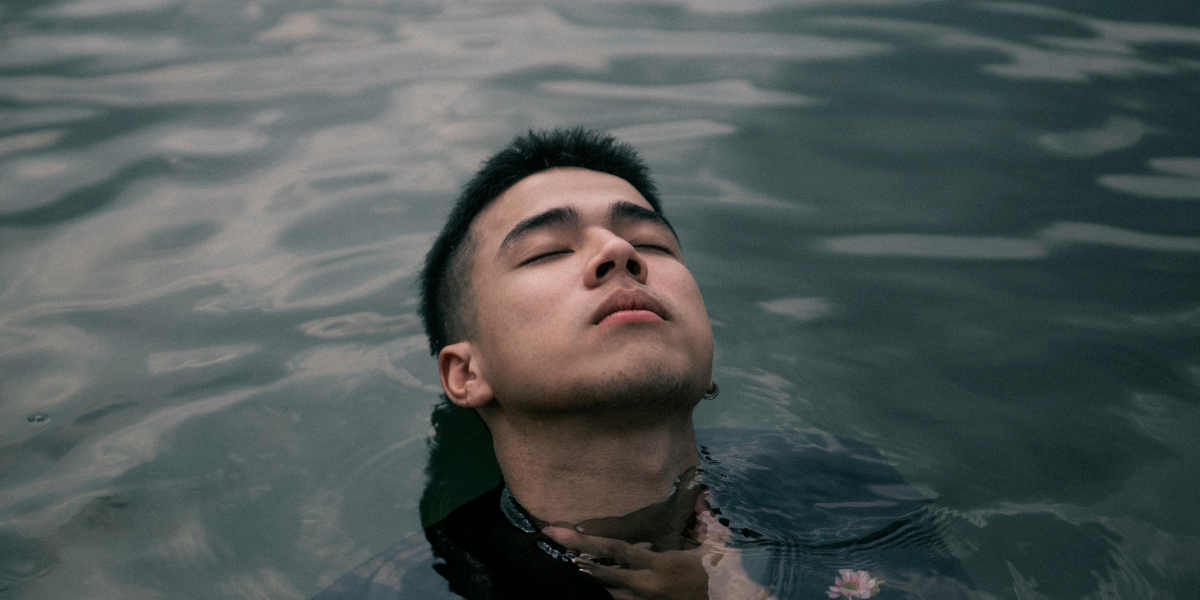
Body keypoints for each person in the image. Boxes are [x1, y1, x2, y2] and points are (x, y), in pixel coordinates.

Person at [312, 128, 973, 600]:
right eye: (546, 251)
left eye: (651, 241)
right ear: (465, 373)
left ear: (706, 360)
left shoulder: (842, 489)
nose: (618, 253)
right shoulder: (400, 591)